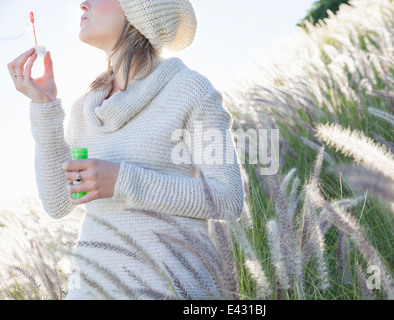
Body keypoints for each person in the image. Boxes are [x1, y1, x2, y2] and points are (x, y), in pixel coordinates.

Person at [7, 0, 245, 300]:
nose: (83, 3)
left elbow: (228, 197)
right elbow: (58, 202)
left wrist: (122, 180)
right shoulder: (85, 108)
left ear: (138, 13)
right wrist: (44, 106)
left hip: (169, 287)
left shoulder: (191, 91)